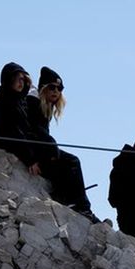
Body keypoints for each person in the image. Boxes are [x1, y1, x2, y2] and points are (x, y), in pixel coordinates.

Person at [23, 66, 95, 219]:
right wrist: (36, 157)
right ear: (43, 88)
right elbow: (33, 133)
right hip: (35, 154)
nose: (56, 91)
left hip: (39, 152)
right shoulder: (33, 103)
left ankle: (70, 200)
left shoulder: (43, 105)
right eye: (52, 87)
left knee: (65, 164)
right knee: (72, 161)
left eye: (59, 88)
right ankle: (82, 206)